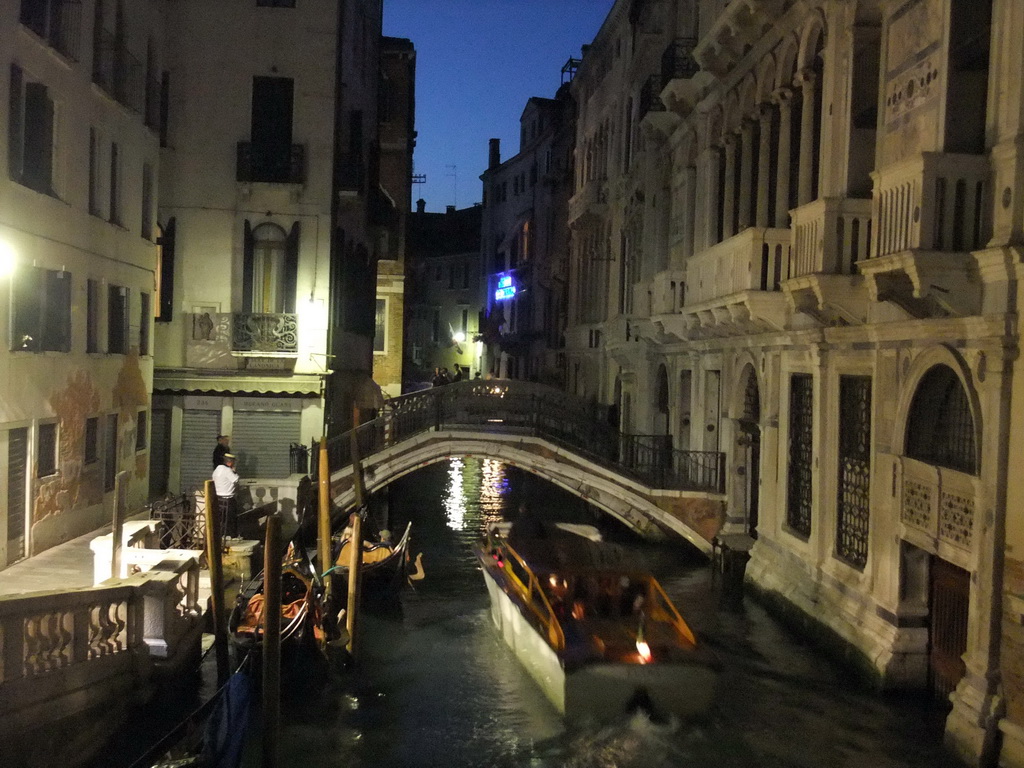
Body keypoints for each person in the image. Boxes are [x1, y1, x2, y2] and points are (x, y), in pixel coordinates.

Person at [212, 453, 239, 537]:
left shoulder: (217, 469)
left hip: (218, 498)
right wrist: (235, 471)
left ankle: (220, 535)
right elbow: (236, 480)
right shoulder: (228, 470)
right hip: (228, 499)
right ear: (230, 463)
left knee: (220, 520)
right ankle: (230, 536)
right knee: (230, 520)